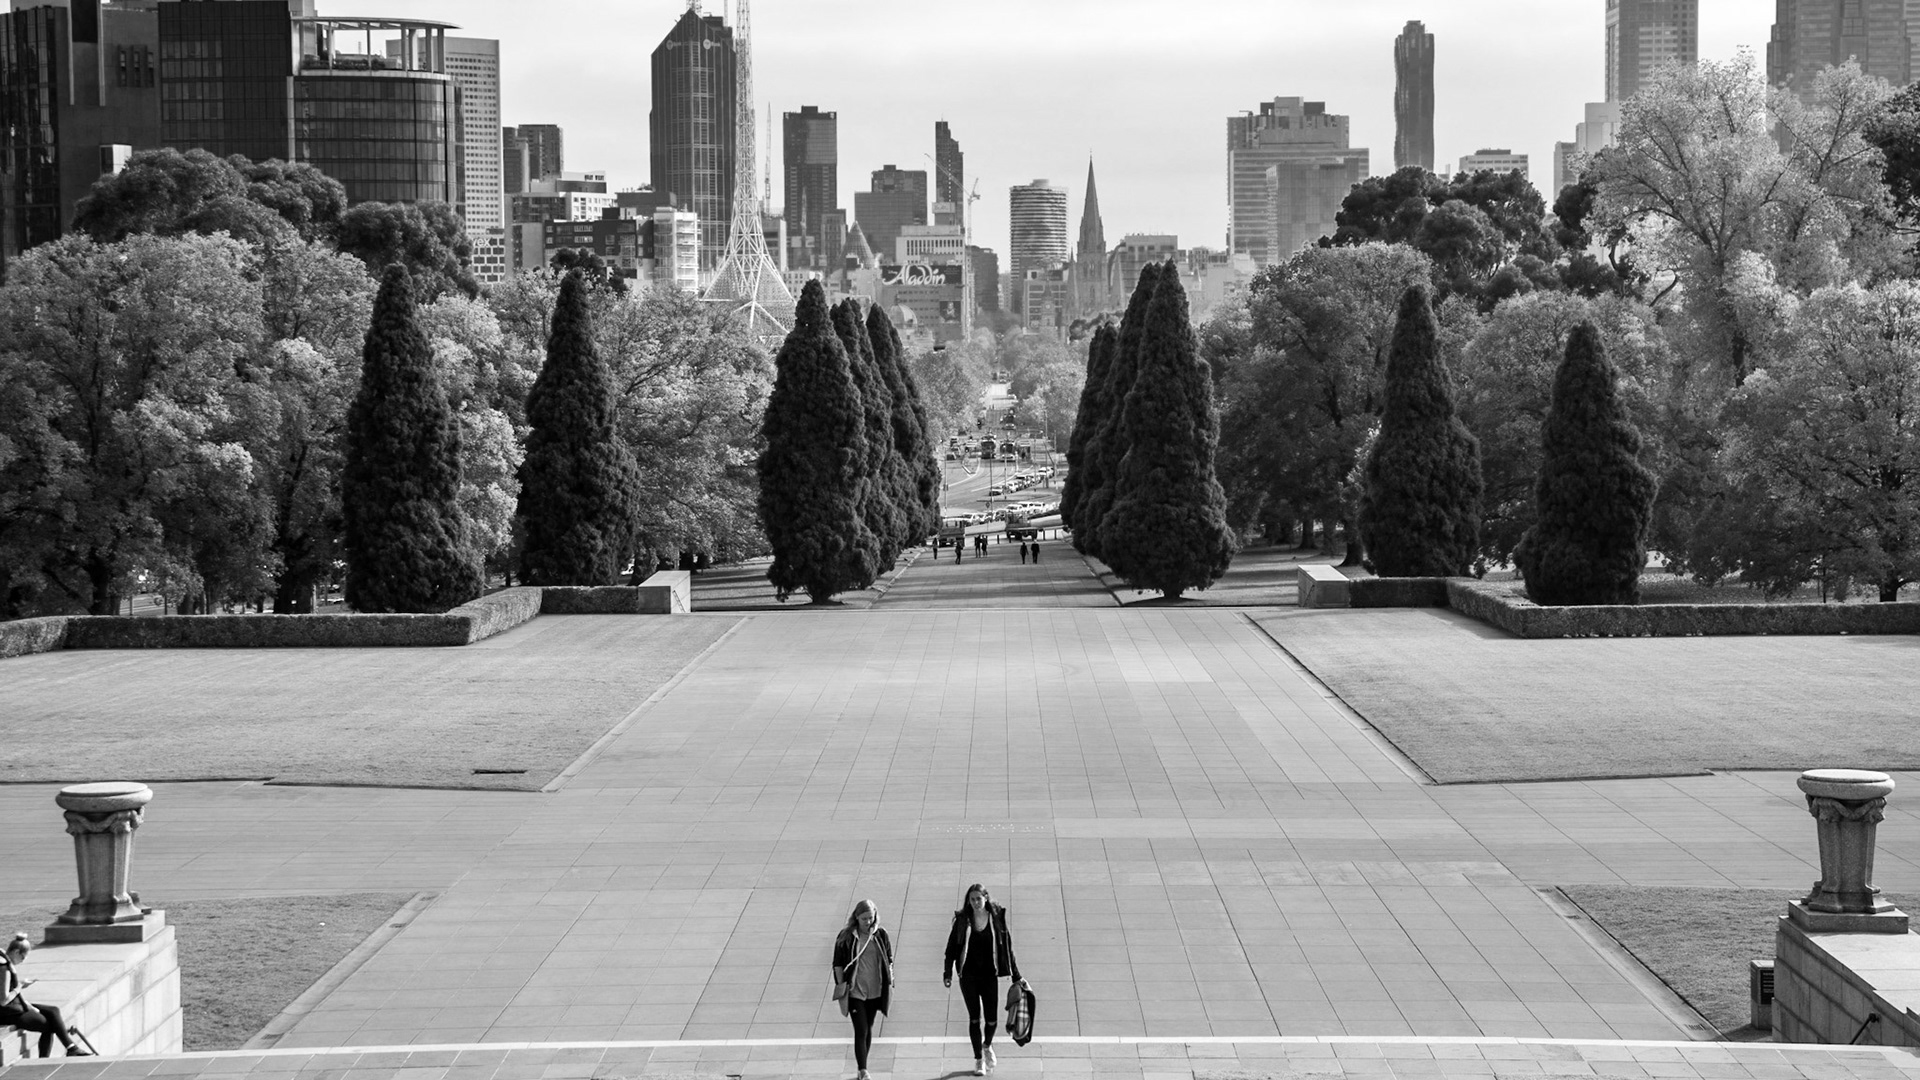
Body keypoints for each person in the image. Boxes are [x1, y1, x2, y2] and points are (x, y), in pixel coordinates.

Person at [943, 884, 1021, 1076]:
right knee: (975, 1018)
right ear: (968, 901)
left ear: (986, 898)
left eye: (979, 898)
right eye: (972, 899)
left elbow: (1007, 948)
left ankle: (986, 1045)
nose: (976, 903)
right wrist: (947, 973)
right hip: (968, 976)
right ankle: (979, 1059)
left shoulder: (996, 917)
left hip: (989, 975)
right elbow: (951, 947)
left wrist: (1016, 975)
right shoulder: (963, 920)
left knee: (992, 1019)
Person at [832, 899, 893, 1080]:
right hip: (855, 991)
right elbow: (837, 964)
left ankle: (862, 1066)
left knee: (869, 1028)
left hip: (875, 990)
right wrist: (841, 984)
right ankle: (863, 1070)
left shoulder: (881, 935)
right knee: (861, 1029)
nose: (868, 922)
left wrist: (890, 977)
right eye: (864, 919)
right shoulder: (846, 936)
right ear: (856, 918)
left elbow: (889, 958)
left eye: (871, 918)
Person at [1, 934, 88, 1058]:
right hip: (8, 1013)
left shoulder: (6, 964)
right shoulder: (4, 969)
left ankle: (71, 1047)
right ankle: (49, 1057)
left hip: (16, 1006)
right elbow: (3, 1000)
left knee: (53, 1010)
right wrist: (19, 987)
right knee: (50, 1026)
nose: (23, 960)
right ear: (16, 952)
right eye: (23, 957)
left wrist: (23, 995)